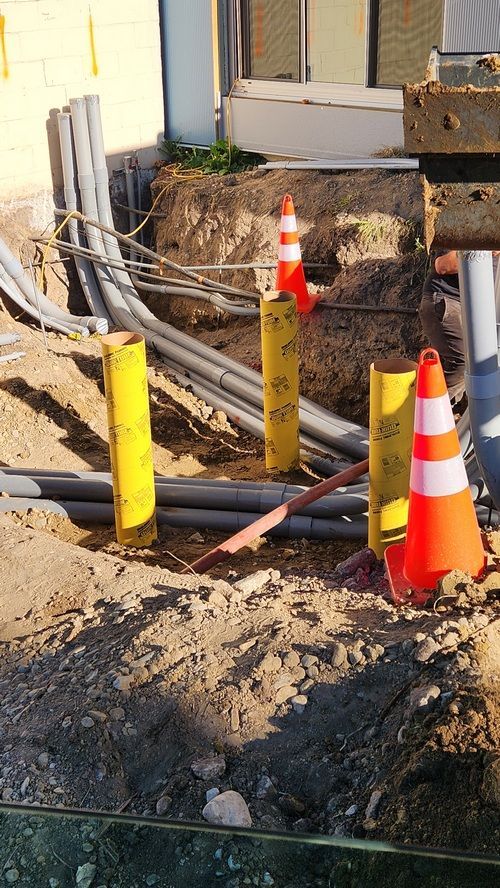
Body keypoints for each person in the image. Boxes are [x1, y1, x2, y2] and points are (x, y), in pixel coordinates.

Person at [419, 249, 499, 406]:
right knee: (467, 361)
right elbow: (442, 265)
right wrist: (486, 250)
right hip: (448, 299)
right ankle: (428, 414)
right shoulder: (470, 230)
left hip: (478, 311)